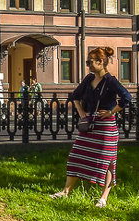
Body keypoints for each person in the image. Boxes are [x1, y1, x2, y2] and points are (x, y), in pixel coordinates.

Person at [50, 46, 133, 208]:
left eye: (90, 62)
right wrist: (82, 113)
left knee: (107, 162)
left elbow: (127, 98)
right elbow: (75, 96)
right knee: (76, 155)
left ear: (101, 62)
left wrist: (111, 112)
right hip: (88, 127)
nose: (88, 65)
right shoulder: (89, 79)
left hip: (106, 129)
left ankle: (103, 198)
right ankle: (66, 191)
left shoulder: (111, 81)